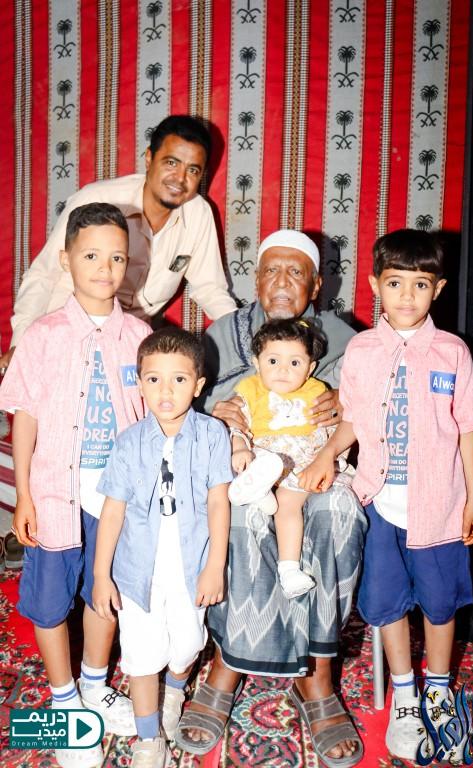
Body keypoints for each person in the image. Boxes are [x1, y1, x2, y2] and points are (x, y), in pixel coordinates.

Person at [299, 229, 473, 762]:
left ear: (439, 289)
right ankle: (405, 694)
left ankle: (438, 690)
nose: (407, 296)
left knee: (439, 602)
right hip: (379, 503)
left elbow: (467, 429)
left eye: (420, 285)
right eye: (395, 283)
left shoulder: (453, 352)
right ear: (374, 285)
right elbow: (354, 420)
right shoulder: (362, 350)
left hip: (439, 505)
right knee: (385, 603)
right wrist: (326, 455)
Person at [175, 230, 366, 768]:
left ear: (317, 285)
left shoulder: (345, 339)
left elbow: (373, 401)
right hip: (243, 463)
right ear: (256, 280)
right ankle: (229, 661)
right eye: (271, 271)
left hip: (314, 463)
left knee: (338, 513)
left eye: (296, 272)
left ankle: (317, 674)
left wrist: (345, 400)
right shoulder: (224, 334)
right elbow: (182, 394)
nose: (282, 283)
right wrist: (214, 414)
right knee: (236, 513)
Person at [0, 203, 152, 768]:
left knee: (104, 590)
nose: (105, 269)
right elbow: (26, 417)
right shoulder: (43, 336)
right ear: (66, 260)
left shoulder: (139, 335)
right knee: (48, 599)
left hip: (117, 499)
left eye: (117, 258)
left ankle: (93, 682)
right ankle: (64, 699)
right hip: (55, 493)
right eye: (91, 256)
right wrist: (25, 494)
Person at [92, 327, 232, 768]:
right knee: (142, 656)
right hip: (138, 572)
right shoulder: (128, 442)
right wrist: (101, 574)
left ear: (199, 384)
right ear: (139, 383)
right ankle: (149, 739)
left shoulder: (212, 434)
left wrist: (215, 565)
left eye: (179, 379)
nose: (165, 391)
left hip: (191, 568)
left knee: (187, 646)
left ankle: (174, 692)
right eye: (154, 379)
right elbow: (112, 511)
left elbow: (218, 501)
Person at [0, 114, 236, 370]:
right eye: (171, 163)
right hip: (64, 330)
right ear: (149, 158)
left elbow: (211, 290)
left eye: (193, 170)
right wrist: (22, 344)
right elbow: (44, 273)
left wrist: (243, 336)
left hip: (129, 344)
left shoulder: (199, 214)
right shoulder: (98, 198)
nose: (180, 179)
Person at [229, 318, 350, 599]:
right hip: (263, 455)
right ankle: (255, 487)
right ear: (257, 363)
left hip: (300, 463)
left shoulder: (317, 392)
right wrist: (239, 447)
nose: (283, 370)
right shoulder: (250, 389)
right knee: (253, 462)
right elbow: (238, 423)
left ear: (310, 368)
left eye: (295, 363)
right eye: (273, 361)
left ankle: (289, 569)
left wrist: (335, 460)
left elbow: (330, 429)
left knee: (287, 502)